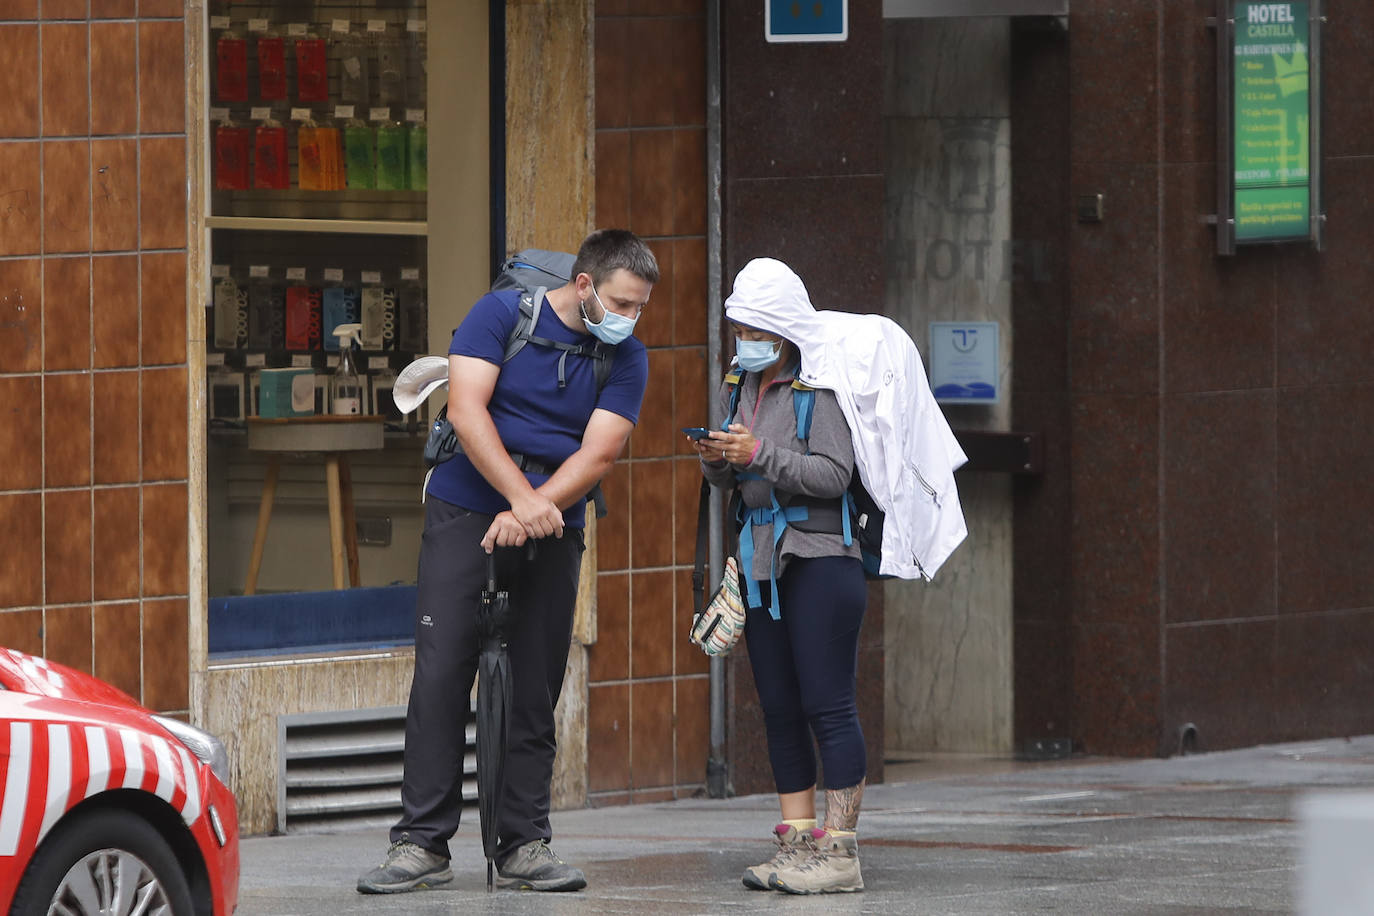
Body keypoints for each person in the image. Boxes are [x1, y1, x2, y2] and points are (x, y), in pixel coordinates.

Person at [357, 229, 658, 894]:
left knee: (536, 682)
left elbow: (600, 454)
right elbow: (466, 411)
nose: (630, 319)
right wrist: (520, 500)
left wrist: (535, 508)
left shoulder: (627, 357)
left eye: (639, 307)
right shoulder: (499, 316)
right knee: (441, 672)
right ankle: (420, 843)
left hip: (557, 516)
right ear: (584, 285)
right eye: (621, 303)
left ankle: (524, 841)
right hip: (469, 507)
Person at [691, 260, 869, 895]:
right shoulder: (737, 383)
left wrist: (759, 453)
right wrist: (717, 460)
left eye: (755, 327)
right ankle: (798, 843)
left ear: (784, 329)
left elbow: (834, 474)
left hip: (821, 558)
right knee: (779, 707)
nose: (743, 337)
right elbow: (728, 482)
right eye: (738, 326)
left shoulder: (816, 387)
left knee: (828, 703)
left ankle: (841, 852)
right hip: (760, 558)